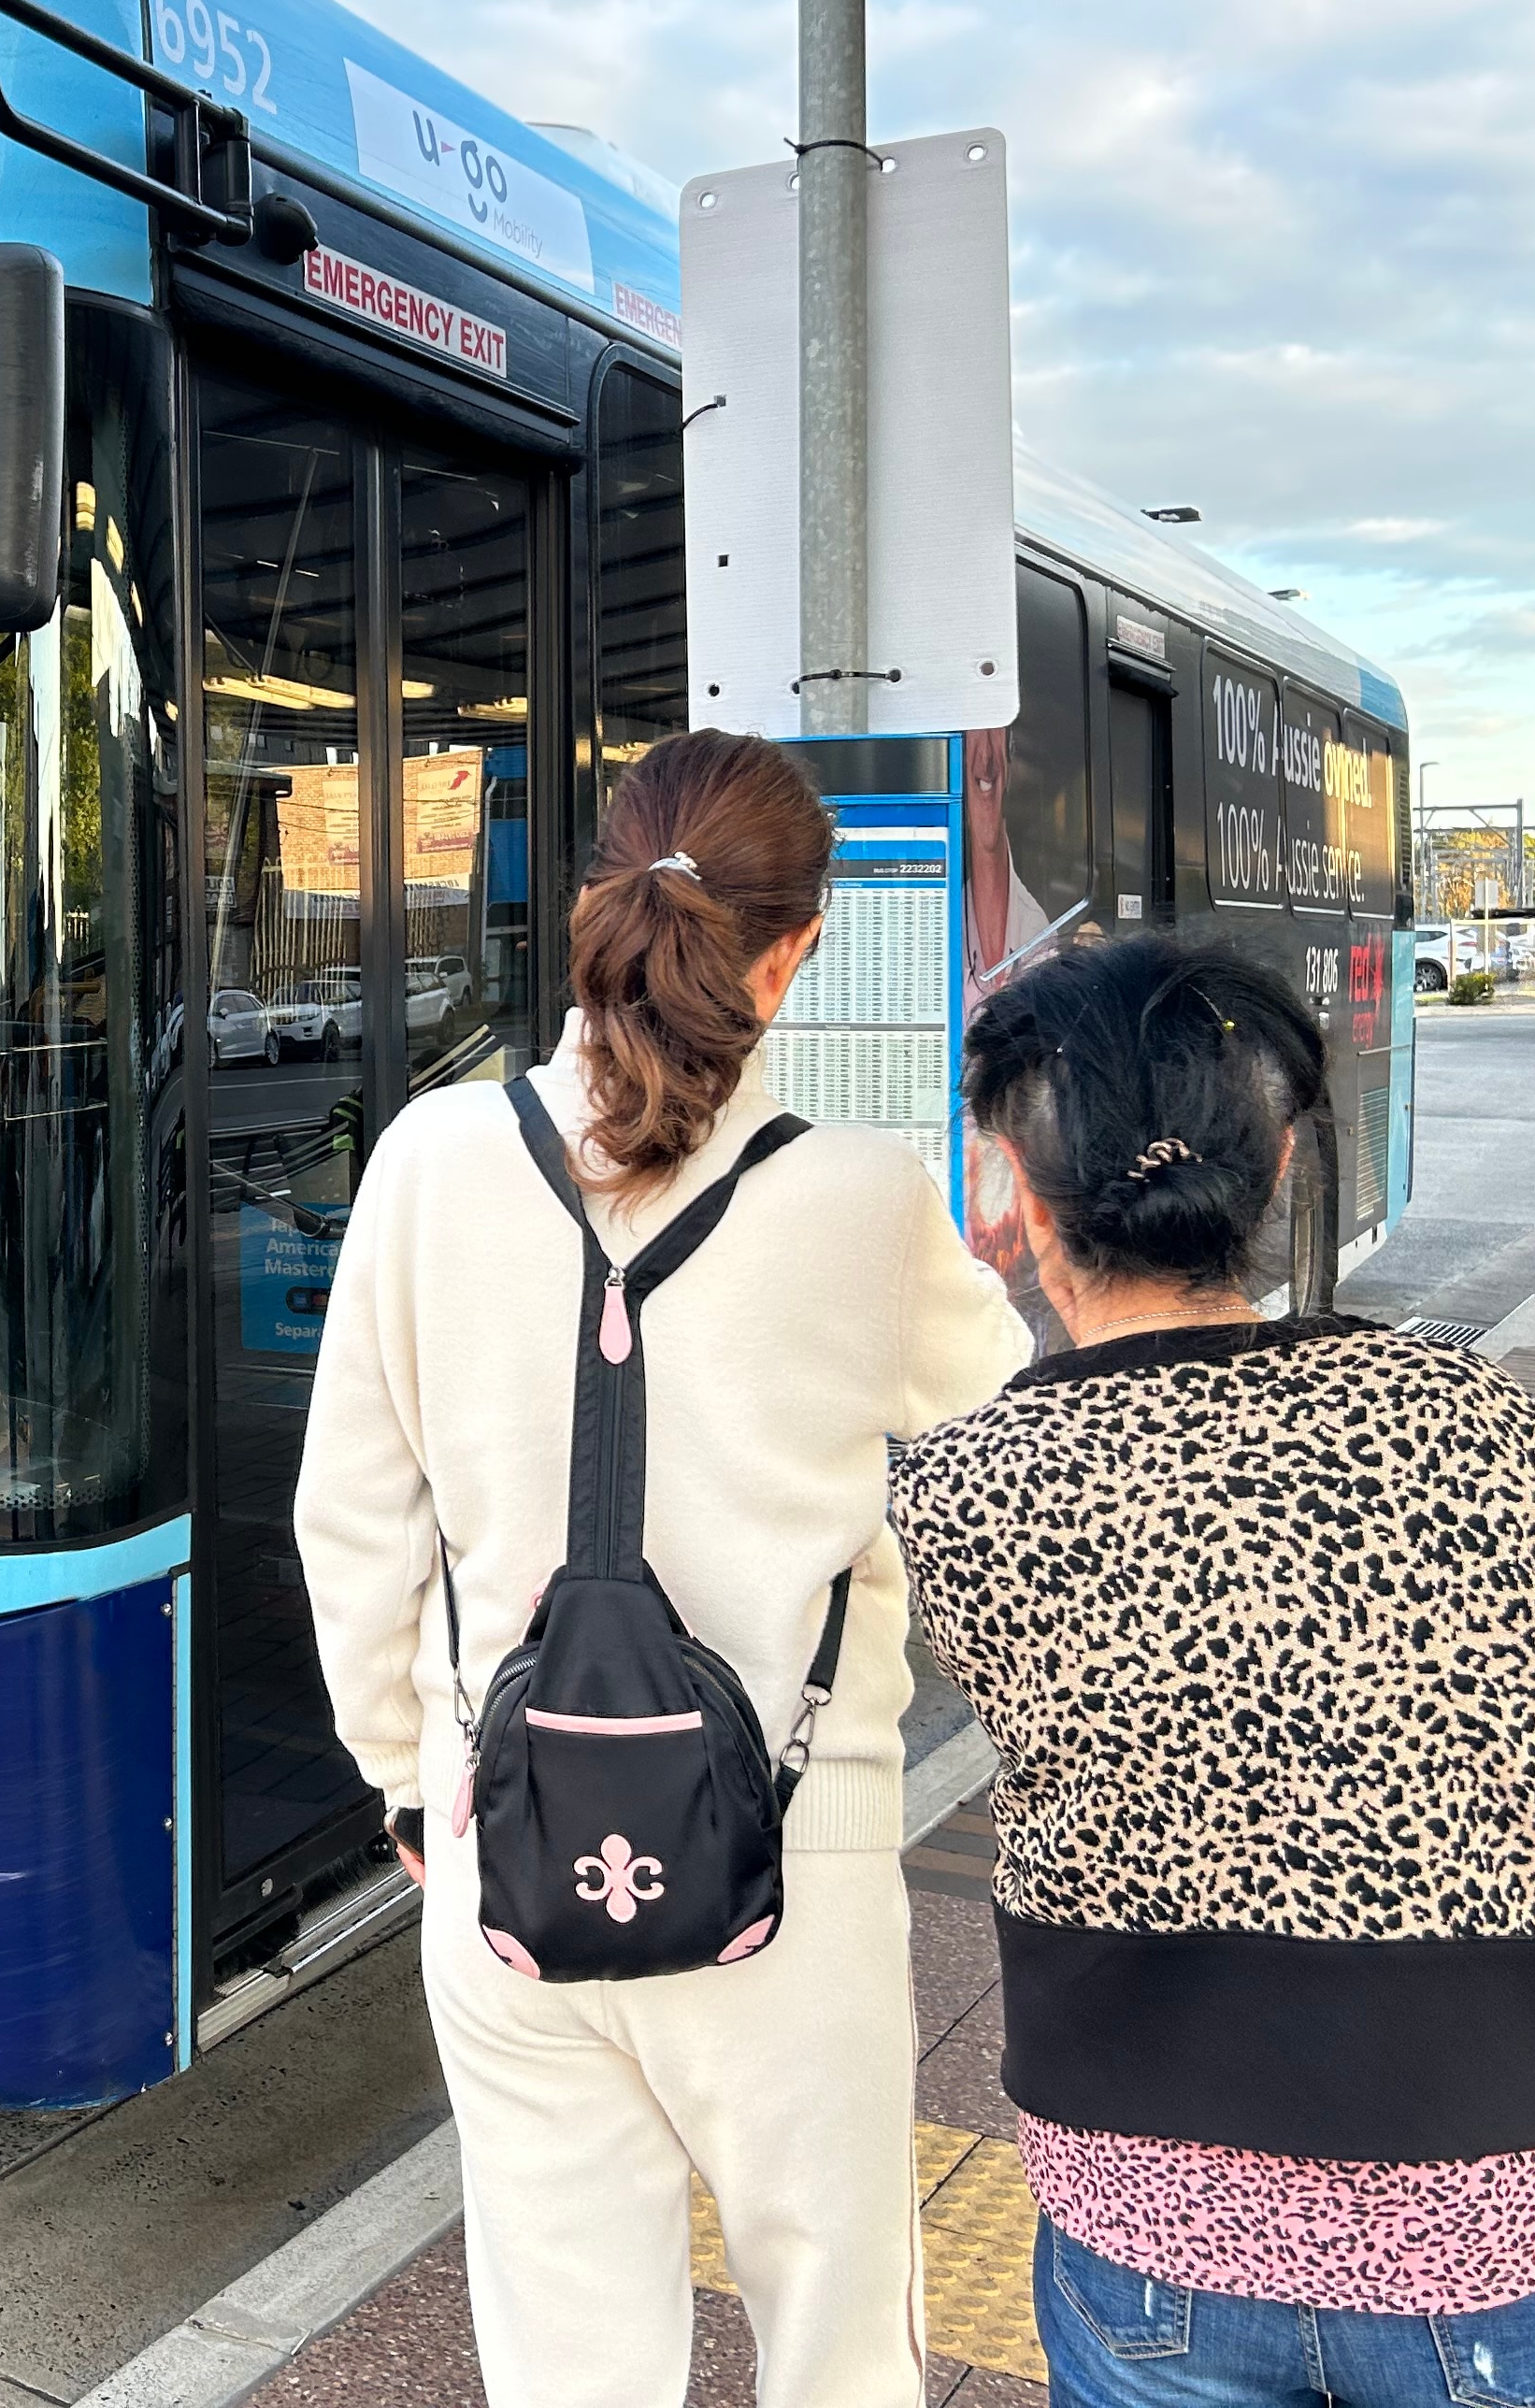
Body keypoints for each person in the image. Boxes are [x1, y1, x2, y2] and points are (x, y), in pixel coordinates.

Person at [892, 932, 1535, 2408]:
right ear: (1280, 1168)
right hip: (1505, 2184)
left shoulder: (969, 1490)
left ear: (1016, 1204)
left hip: (1150, 2200)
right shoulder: (1460, 1412)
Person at [296, 730, 1027, 2408]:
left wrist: (414, 1786)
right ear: (798, 947)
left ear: (595, 910)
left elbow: (353, 1520)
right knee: (836, 2334)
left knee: (565, 2355)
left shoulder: (424, 1161)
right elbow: (1010, 1444)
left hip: (505, 1846)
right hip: (790, 1855)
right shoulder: (862, 1199)